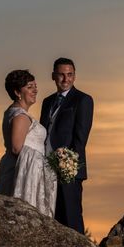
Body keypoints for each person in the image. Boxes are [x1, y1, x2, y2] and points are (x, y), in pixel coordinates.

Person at [40, 58, 94, 234]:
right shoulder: (47, 102)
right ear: (53, 76)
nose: (66, 79)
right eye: (61, 75)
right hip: (46, 169)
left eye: (70, 75)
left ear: (74, 76)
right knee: (52, 218)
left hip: (69, 170)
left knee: (71, 219)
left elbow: (80, 139)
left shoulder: (83, 100)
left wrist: (69, 167)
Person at [0, 69, 57, 217]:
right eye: (30, 87)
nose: (35, 90)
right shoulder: (20, 116)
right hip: (24, 173)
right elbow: (17, 148)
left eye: (35, 86)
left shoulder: (15, 112)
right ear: (17, 92)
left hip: (20, 168)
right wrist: (45, 163)